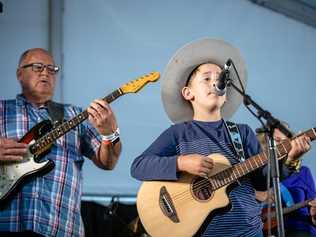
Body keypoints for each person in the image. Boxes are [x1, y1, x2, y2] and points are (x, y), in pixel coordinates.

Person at [130, 38, 311, 237]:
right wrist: (180, 162)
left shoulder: (242, 133)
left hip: (248, 231)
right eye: (207, 78)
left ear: (226, 94)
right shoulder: (178, 134)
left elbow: (263, 183)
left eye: (220, 78)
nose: (216, 82)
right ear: (188, 93)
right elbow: (138, 166)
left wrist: (291, 159)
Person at [0, 48, 122, 236]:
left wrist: (110, 134)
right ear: (19, 74)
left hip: (61, 230)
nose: (45, 73)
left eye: (52, 69)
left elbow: (108, 162)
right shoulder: (2, 110)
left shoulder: (75, 115)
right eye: (37, 67)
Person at [256, 126, 316, 236]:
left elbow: (313, 209)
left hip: (299, 229)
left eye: (286, 142)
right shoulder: (255, 174)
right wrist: (255, 195)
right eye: (276, 140)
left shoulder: (303, 172)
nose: (281, 146)